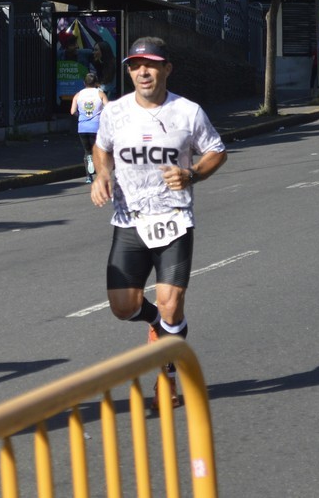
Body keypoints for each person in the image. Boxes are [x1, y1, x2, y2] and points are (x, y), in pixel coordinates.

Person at [90, 37, 227, 409]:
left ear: (167, 69)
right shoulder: (115, 112)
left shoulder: (188, 112)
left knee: (171, 304)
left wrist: (192, 174)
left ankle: (166, 376)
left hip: (174, 219)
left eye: (150, 65)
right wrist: (102, 174)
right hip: (129, 219)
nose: (142, 72)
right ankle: (156, 324)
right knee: (123, 306)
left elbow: (216, 151)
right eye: (135, 66)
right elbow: (101, 147)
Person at [70, 73, 109, 183]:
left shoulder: (78, 95)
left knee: (87, 152)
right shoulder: (100, 94)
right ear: (96, 83)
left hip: (82, 127)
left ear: (84, 83)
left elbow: (72, 111)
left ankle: (88, 177)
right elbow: (108, 109)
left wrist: (81, 116)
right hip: (96, 127)